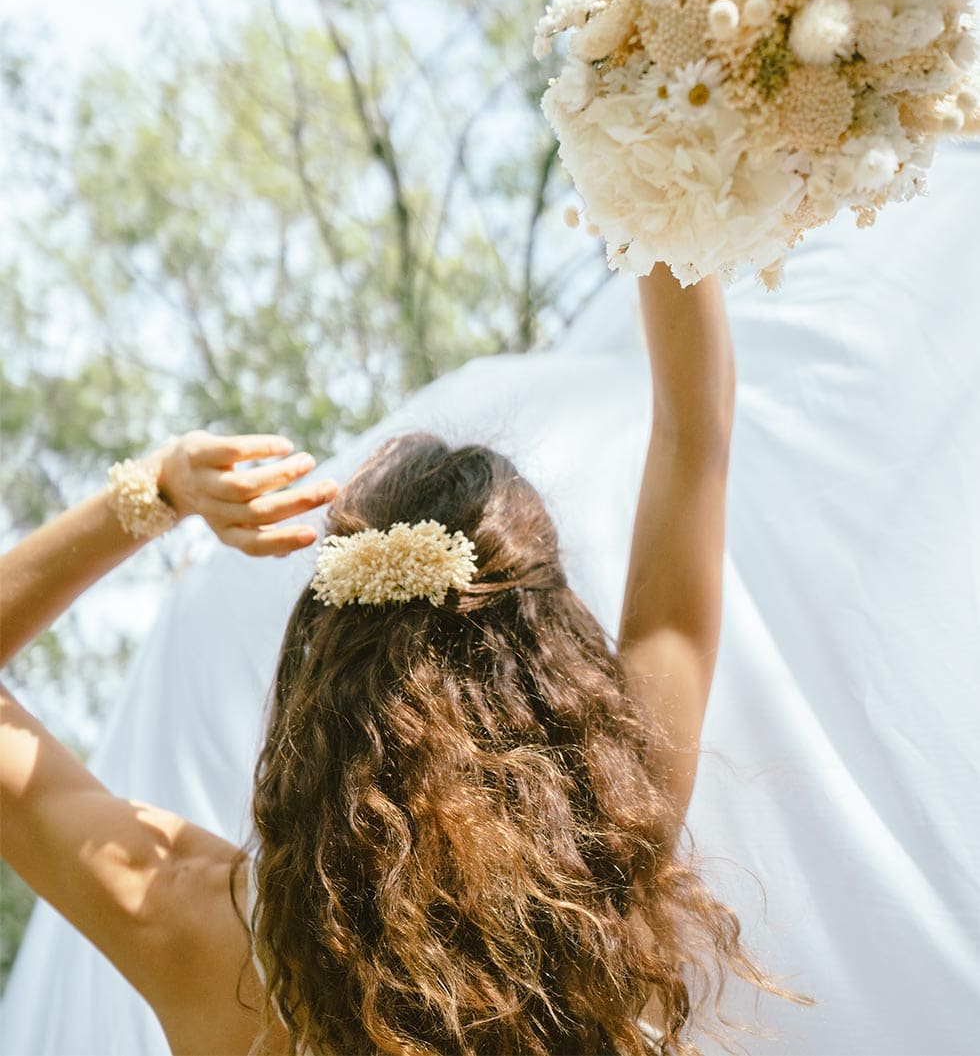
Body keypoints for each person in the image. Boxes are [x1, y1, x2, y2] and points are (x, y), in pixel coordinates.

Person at [0, 264, 808, 1056]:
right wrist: (656, 181)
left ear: (321, 661)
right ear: (550, 656)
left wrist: (161, 486)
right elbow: (695, 431)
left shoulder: (202, 929)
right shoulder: (609, 845)